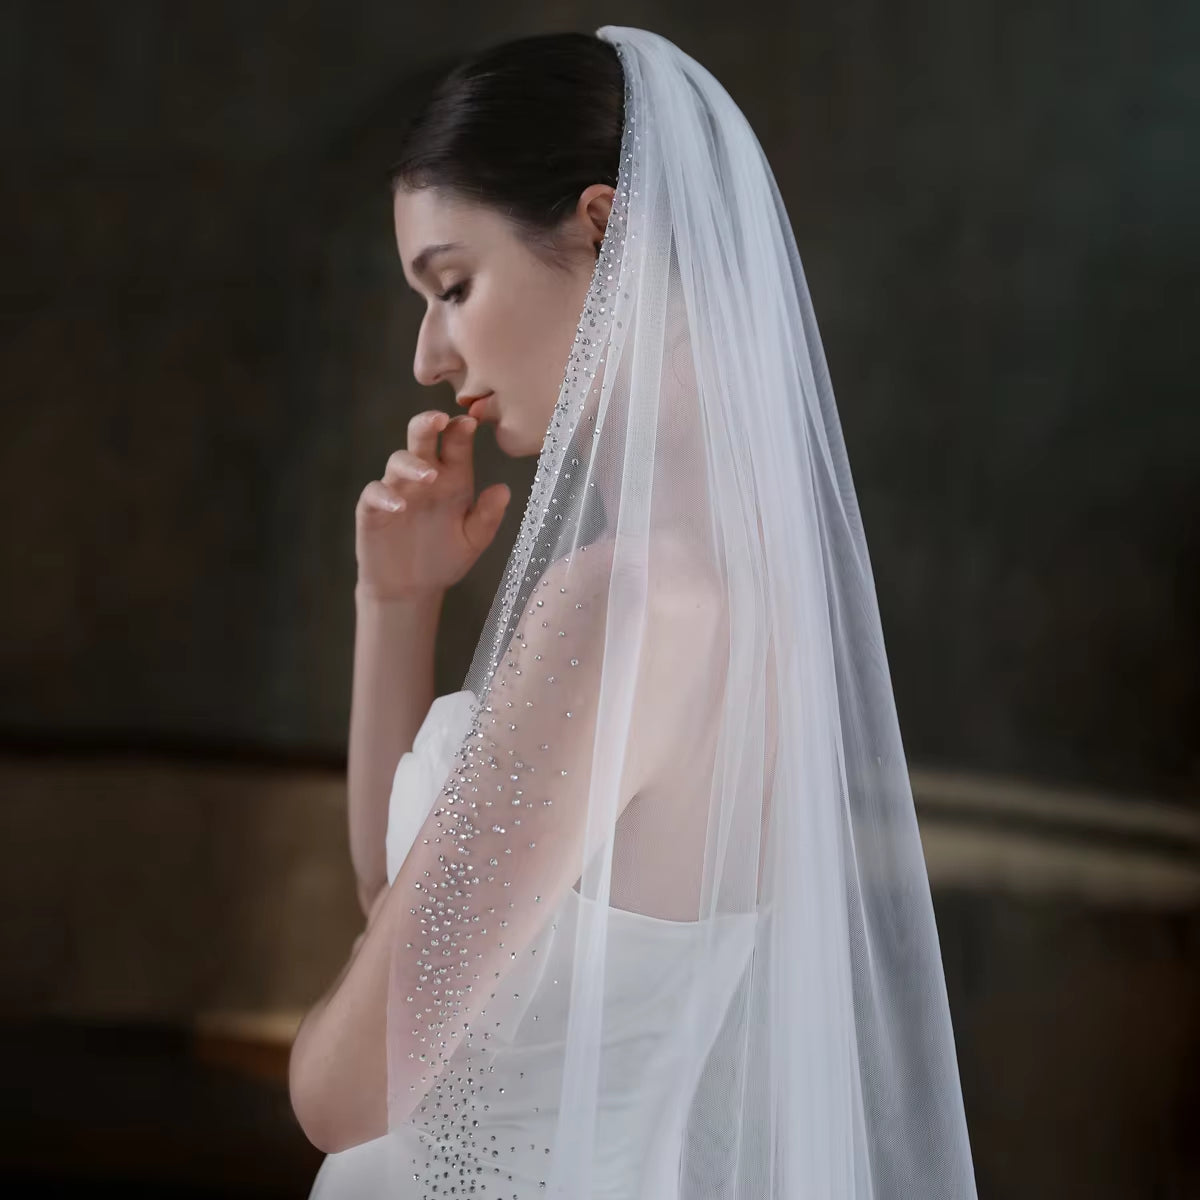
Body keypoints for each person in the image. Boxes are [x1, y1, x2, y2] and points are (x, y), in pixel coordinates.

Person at [289, 25, 979, 1198]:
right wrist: (395, 605)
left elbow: (346, 1090)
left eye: (453, 285)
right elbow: (397, 923)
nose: (428, 355)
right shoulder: (744, 593)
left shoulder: (630, 603)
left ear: (605, 228)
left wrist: (318, 1054)